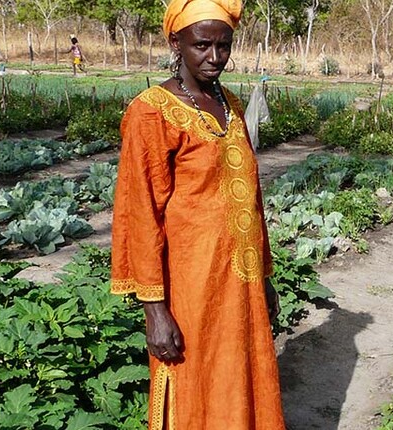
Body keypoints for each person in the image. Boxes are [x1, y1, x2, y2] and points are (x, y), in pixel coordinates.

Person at [109, 1, 285, 428]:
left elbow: (251, 202)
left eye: (223, 46)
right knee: (194, 385)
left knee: (240, 378)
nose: (214, 57)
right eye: (202, 45)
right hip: (189, 286)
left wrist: (264, 278)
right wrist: (155, 309)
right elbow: (140, 212)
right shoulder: (152, 111)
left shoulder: (232, 106)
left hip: (238, 285)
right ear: (176, 42)